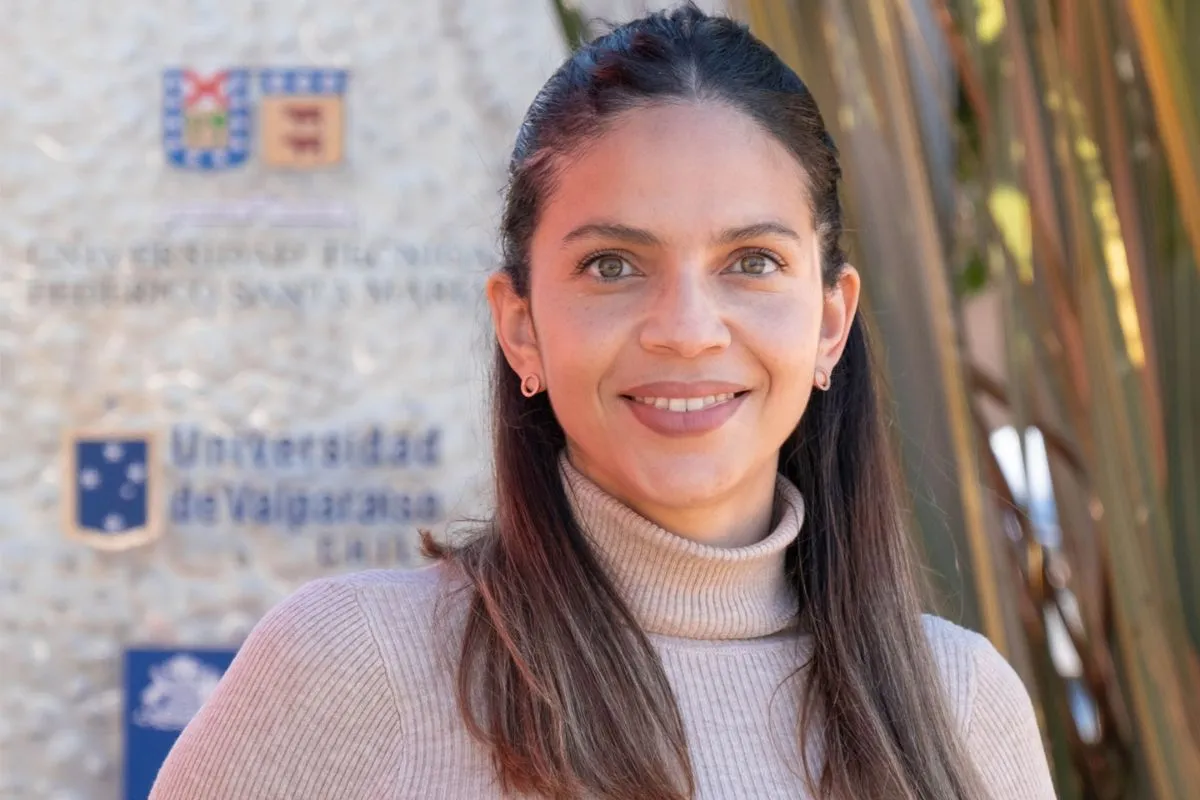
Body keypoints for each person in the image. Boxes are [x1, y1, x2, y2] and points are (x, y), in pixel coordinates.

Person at [150, 4, 1057, 798]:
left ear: (830, 321)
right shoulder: (352, 665)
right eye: (612, 266)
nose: (687, 329)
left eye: (752, 262)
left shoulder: (963, 705)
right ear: (521, 327)